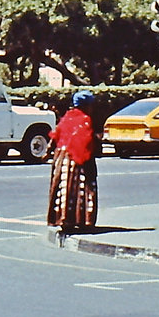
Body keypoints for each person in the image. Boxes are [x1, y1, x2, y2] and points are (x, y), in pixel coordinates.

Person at [47, 90, 100, 233]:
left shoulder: (66, 117)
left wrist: (48, 152)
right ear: (86, 106)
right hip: (79, 158)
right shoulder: (85, 119)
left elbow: (56, 136)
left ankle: (64, 219)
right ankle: (83, 220)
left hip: (62, 158)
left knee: (64, 188)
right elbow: (87, 141)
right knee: (83, 188)